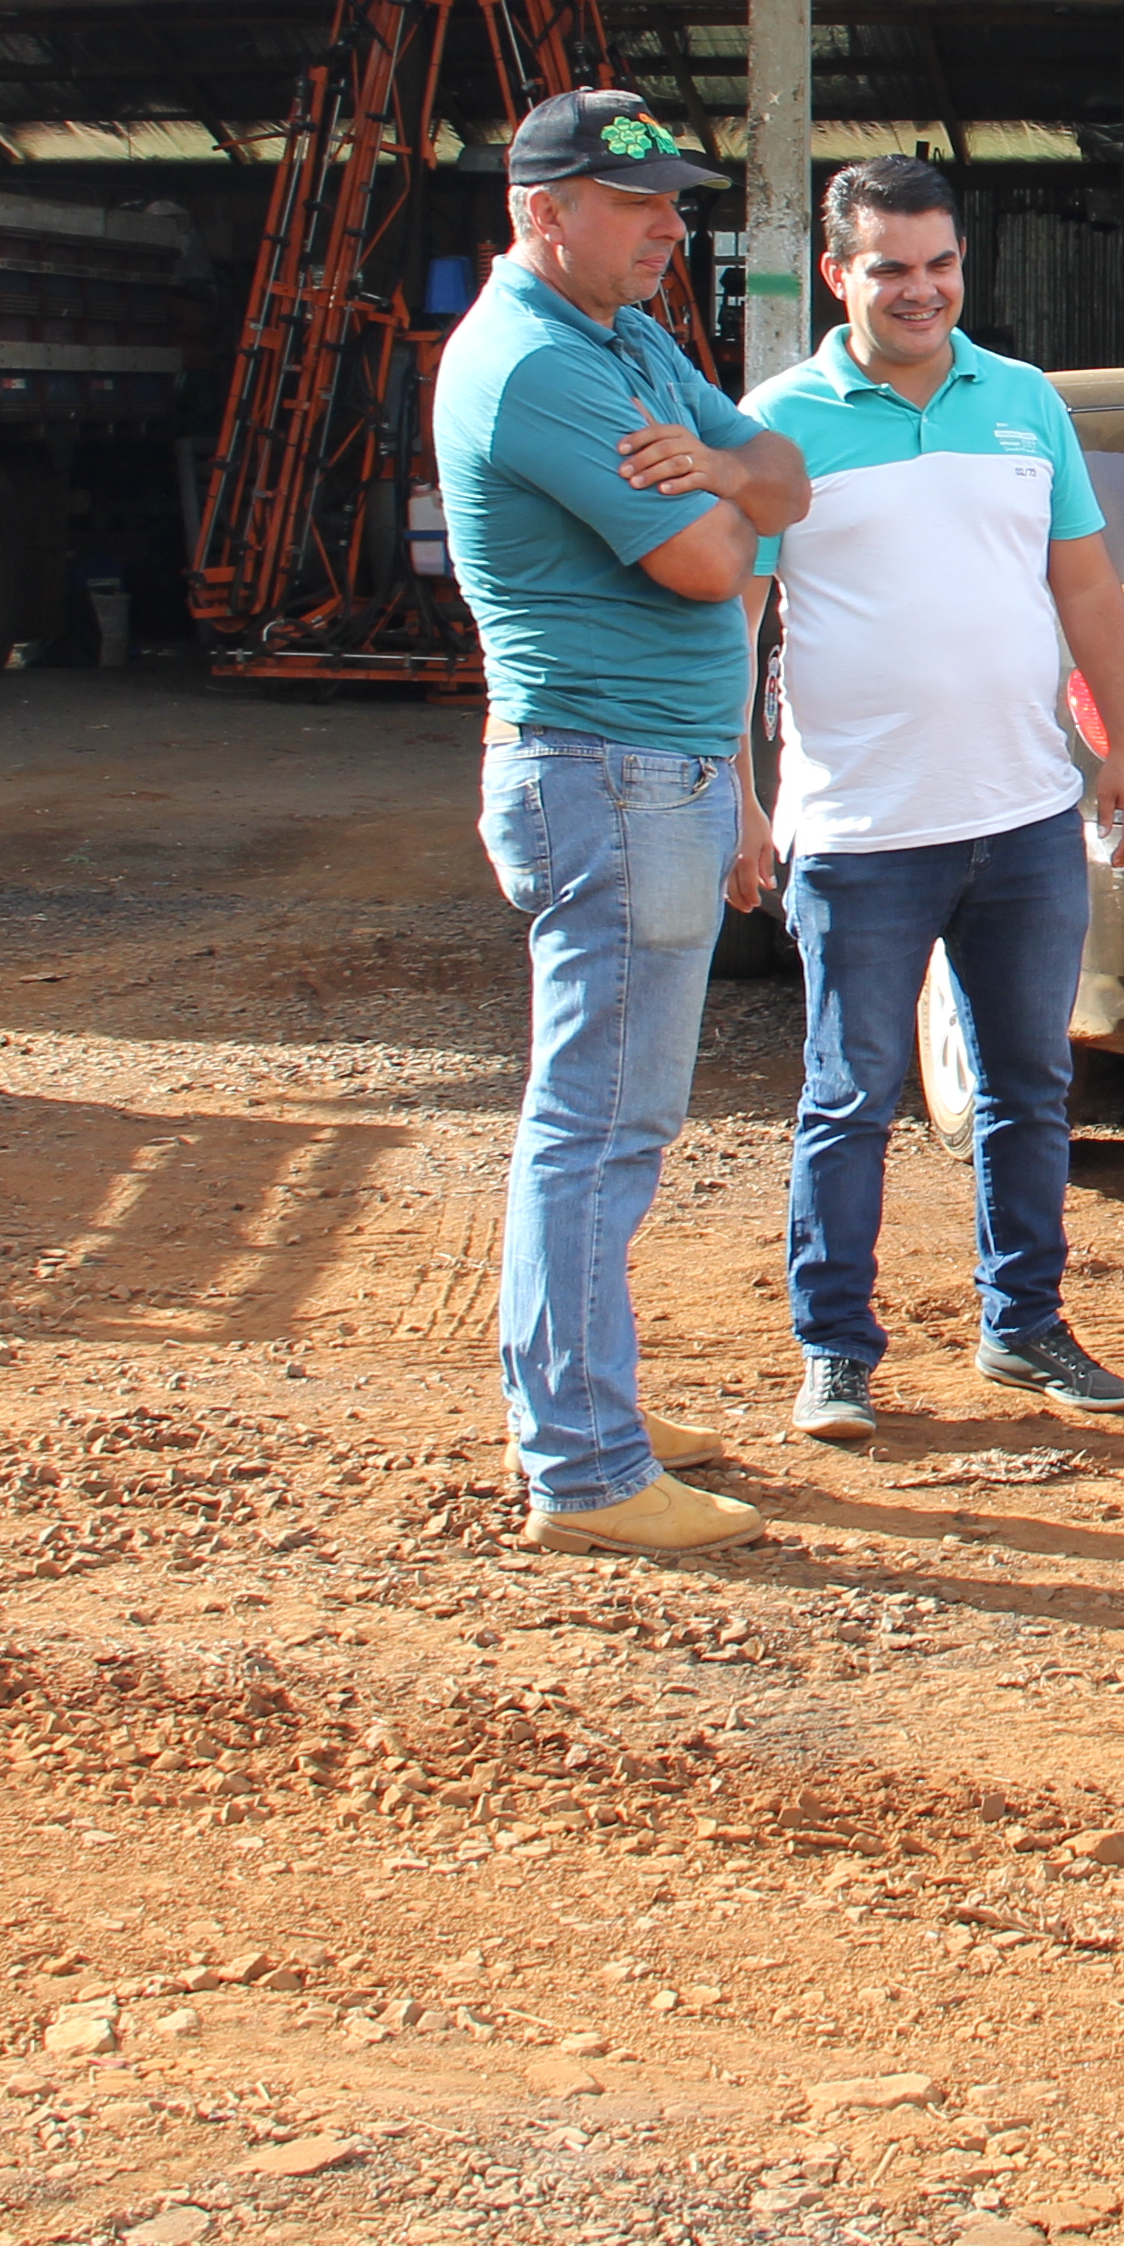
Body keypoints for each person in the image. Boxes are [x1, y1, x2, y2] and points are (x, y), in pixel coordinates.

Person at [433, 87, 813, 1558]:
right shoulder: (538, 368)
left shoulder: (625, 342)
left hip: (646, 772)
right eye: (640, 203)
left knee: (613, 1121)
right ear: (546, 214)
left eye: (677, 202)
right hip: (606, 773)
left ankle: (590, 1409)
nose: (672, 228)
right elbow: (718, 568)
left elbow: (779, 483)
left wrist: (716, 466)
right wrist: (730, 496)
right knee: (598, 1126)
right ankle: (585, 1465)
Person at [739, 154, 1124, 1445]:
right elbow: (736, 613)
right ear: (837, 275)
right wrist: (738, 799)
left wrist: (1123, 752)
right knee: (849, 1095)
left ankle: (1023, 1328)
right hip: (860, 830)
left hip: (1026, 816)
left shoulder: (1025, 403)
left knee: (1030, 1084)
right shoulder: (776, 425)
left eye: (940, 264)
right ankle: (835, 1351)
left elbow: (1085, 590)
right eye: (889, 269)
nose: (921, 291)